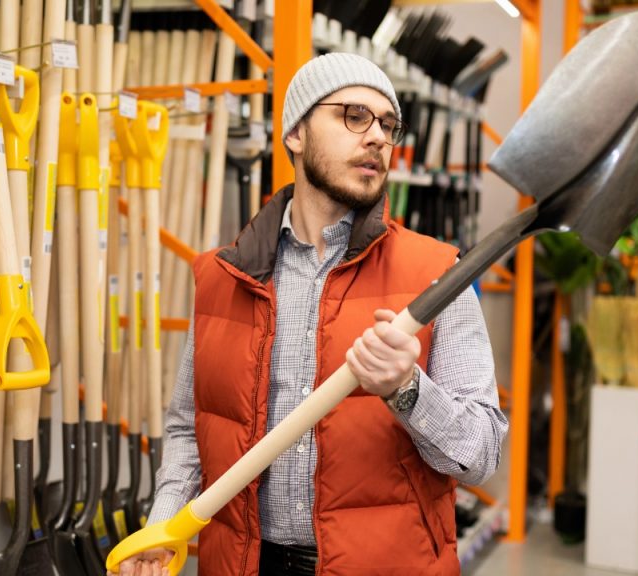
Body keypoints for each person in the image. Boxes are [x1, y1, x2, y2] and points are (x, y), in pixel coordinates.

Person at [114, 52, 508, 576]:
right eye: (353, 116)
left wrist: (407, 391)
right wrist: (164, 526)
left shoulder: (437, 276)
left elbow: (480, 454)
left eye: (388, 125)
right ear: (296, 133)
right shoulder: (223, 277)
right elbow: (192, 428)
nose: (376, 138)